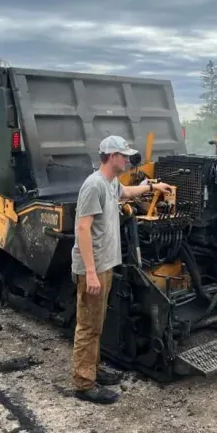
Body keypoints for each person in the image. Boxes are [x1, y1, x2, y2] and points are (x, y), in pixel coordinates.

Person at [70, 135, 173, 404]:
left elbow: (126, 193)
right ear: (112, 156)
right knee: (88, 326)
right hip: (93, 268)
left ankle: (93, 368)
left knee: (98, 322)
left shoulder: (110, 182)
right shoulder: (93, 186)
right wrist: (90, 272)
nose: (128, 160)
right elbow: (82, 228)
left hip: (104, 264)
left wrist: (152, 186)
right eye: (124, 155)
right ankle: (84, 383)